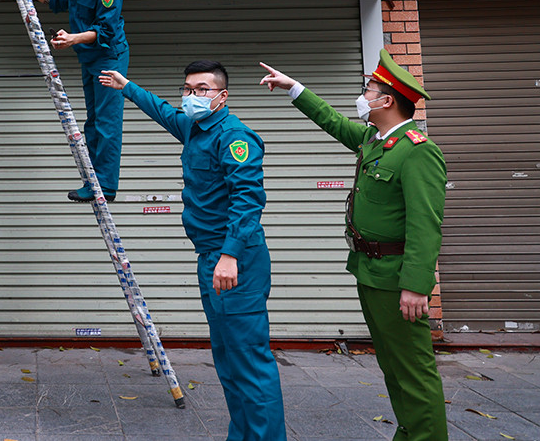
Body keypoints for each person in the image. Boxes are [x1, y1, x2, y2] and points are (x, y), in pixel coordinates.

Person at [259, 50, 448, 441]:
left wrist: (416, 285)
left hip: (397, 279)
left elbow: (425, 224)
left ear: (387, 101)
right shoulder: (375, 140)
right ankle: (410, 432)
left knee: (414, 370)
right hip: (370, 271)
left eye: (368, 89)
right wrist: (294, 87)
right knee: (394, 367)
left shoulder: (418, 151)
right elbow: (331, 121)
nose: (362, 96)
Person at [99, 61, 286, 441]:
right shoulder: (194, 128)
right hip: (211, 259)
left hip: (236, 261)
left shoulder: (235, 137)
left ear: (221, 96)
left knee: (249, 360)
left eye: (201, 89)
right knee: (229, 361)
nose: (191, 96)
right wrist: (126, 86)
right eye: (187, 89)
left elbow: (248, 200)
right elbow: (163, 111)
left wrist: (230, 255)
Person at [6, 0, 129, 203]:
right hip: (88, 57)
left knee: (107, 122)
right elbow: (56, 0)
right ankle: (93, 181)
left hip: (109, 58)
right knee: (93, 121)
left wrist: (72, 38)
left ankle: (106, 186)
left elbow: (107, 32)